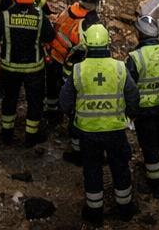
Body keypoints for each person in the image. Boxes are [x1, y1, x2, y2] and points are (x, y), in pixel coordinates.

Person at [59, 23, 139, 224]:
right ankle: (125, 208)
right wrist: (129, 116)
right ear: (108, 43)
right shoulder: (119, 68)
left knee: (92, 169)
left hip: (88, 131)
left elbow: (64, 101)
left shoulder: (78, 70)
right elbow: (133, 95)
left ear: (86, 44)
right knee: (120, 167)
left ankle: (94, 213)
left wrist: (74, 116)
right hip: (115, 130)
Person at [0, 0, 54, 145]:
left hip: (10, 68)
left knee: (9, 100)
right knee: (35, 101)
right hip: (34, 69)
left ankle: (7, 133)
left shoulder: (5, 16)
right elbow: (49, 37)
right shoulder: (40, 17)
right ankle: (31, 136)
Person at [126, 14, 159, 196]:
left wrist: (130, 111)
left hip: (145, 109)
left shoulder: (135, 57)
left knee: (149, 145)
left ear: (140, 35)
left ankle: (155, 181)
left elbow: (130, 88)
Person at [45, 0, 103, 137]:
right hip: (67, 62)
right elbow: (82, 48)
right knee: (66, 91)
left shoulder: (70, 9)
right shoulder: (88, 22)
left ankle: (50, 115)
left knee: (50, 90)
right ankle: (65, 118)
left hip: (52, 55)